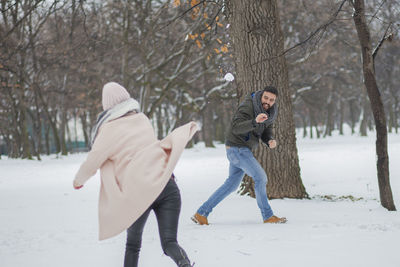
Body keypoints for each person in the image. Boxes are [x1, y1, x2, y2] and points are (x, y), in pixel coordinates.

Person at [73, 82, 197, 267]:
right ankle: (185, 264)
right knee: (170, 242)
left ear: (107, 106)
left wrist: (78, 181)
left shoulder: (108, 130)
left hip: (139, 193)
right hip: (167, 186)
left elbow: (93, 160)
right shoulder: (143, 119)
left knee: (132, 245)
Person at [192, 86, 287, 225]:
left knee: (231, 185)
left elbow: (266, 130)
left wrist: (269, 140)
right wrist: (255, 121)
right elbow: (236, 127)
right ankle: (268, 216)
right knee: (260, 177)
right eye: (266, 98)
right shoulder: (248, 106)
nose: (268, 101)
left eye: (271, 100)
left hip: (240, 150)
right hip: (238, 149)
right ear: (261, 95)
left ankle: (201, 214)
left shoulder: (270, 112)